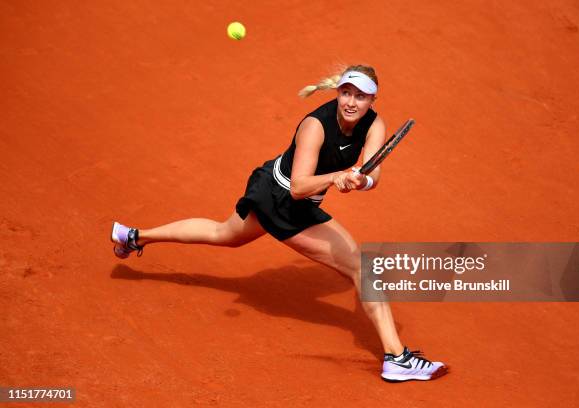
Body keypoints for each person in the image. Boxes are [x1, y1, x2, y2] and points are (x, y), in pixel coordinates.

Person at [110, 65, 447, 382]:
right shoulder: (315, 125)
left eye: (360, 96)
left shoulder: (375, 125)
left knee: (223, 233)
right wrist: (336, 178)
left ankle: (135, 236)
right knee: (363, 268)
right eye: (346, 93)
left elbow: (373, 172)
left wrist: (362, 181)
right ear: (338, 93)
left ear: (373, 99)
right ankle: (396, 358)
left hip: (276, 191)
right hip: (286, 201)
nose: (351, 102)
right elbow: (300, 187)